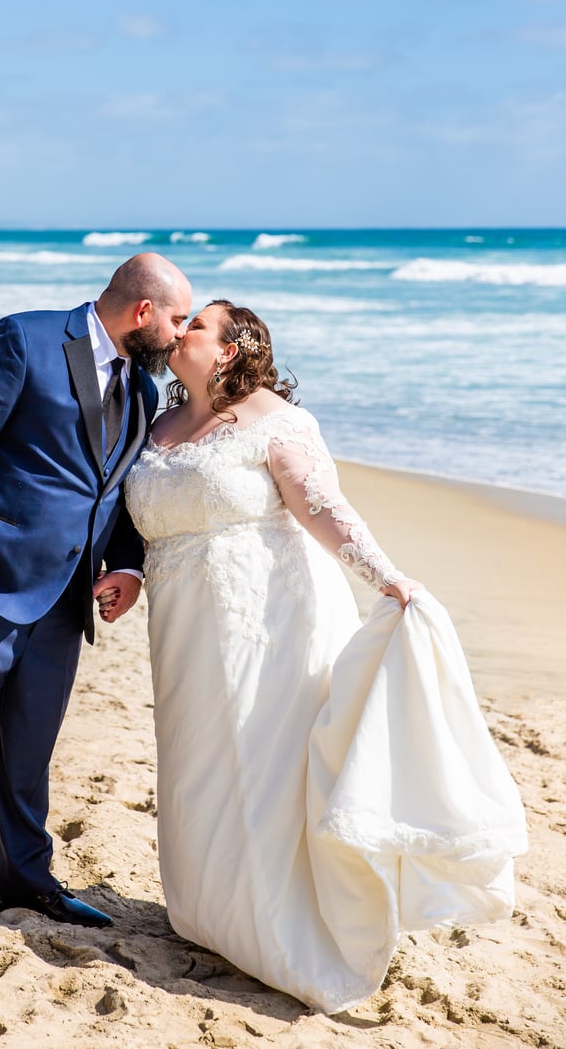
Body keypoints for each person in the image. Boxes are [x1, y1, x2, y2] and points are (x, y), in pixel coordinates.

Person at [117, 299, 527, 1014]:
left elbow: (321, 508)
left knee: (266, 766)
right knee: (198, 766)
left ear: (231, 351)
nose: (179, 332)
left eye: (198, 326)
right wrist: (127, 570)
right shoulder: (155, 423)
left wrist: (387, 578)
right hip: (184, 628)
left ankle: (283, 929)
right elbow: (143, 520)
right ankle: (212, 913)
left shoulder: (276, 420)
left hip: (271, 621)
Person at [0, 252, 192, 927]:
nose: (179, 334)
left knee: (30, 747)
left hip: (65, 597)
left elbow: (115, 489)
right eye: (176, 319)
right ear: (143, 311)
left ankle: (27, 881)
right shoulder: (21, 338)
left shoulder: (141, 390)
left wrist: (126, 565)